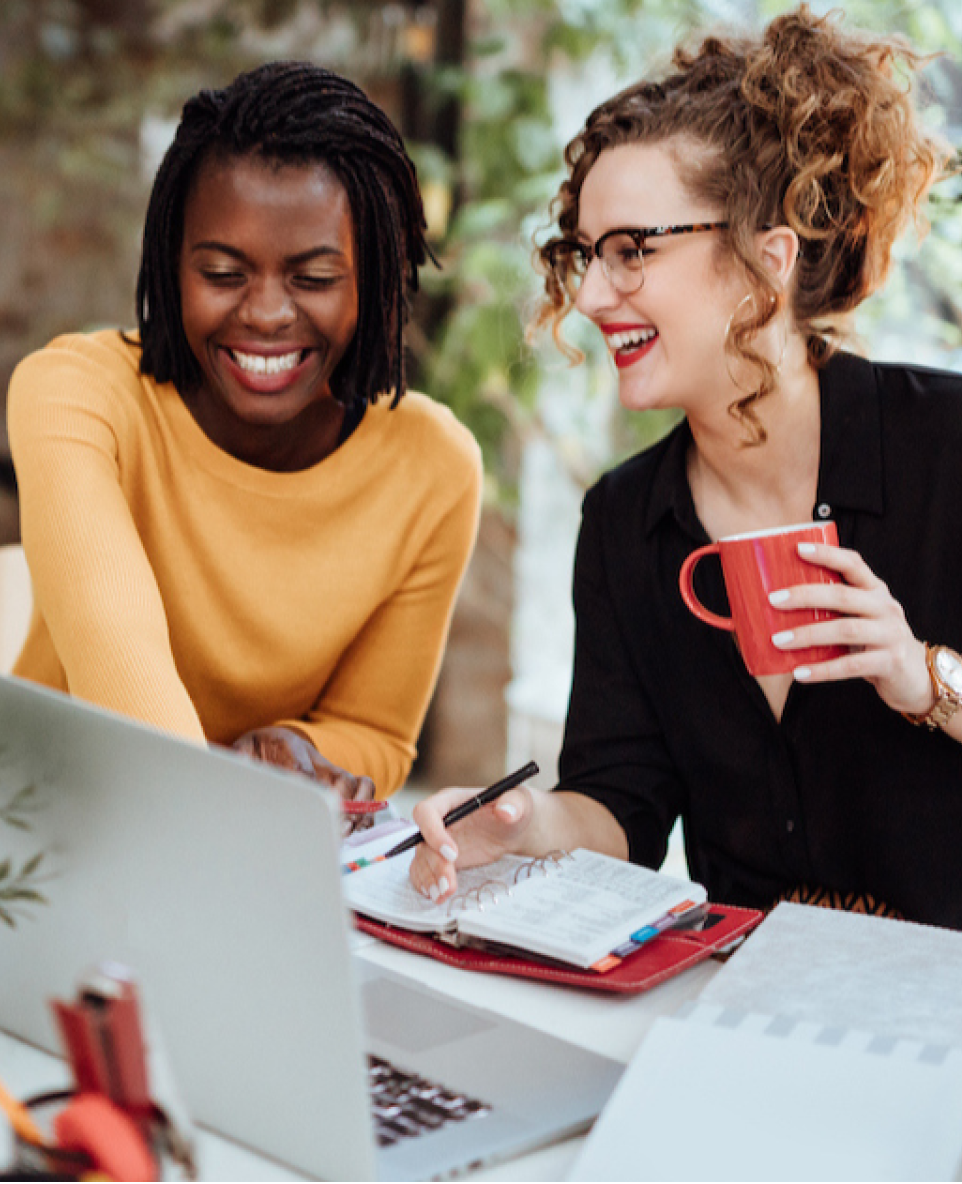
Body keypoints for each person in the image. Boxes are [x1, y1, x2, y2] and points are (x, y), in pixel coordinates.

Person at [411, 6, 962, 928]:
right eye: (585, 256)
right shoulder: (625, 522)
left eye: (630, 252)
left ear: (765, 261)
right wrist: (522, 823)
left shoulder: (947, 447)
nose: (588, 296)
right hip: (741, 1002)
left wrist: (925, 679)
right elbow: (621, 808)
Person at [7, 61, 482, 804]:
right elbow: (118, 662)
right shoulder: (77, 395)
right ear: (171, 267)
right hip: (46, 835)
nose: (264, 314)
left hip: (245, 848)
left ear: (378, 280)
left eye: (314, 279)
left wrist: (302, 749)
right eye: (223, 272)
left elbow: (375, 733)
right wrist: (229, 793)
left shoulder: (432, 466)